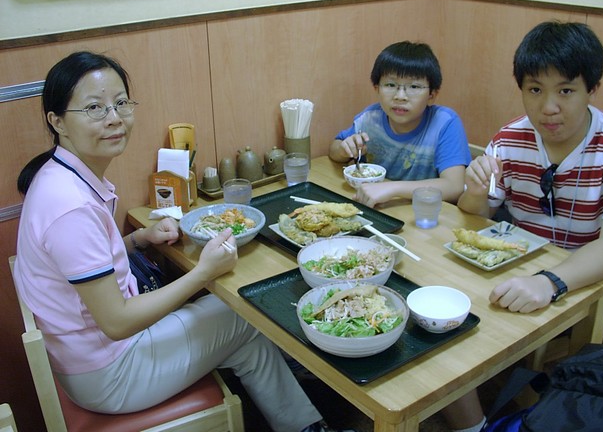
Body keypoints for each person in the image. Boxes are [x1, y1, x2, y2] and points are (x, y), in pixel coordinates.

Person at [12, 51, 353, 432]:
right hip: (110, 372)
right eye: (94, 108)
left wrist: (137, 239)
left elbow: (81, 266)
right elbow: (117, 322)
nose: (114, 118)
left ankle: (307, 426)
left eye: (121, 103)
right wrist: (203, 273)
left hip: (90, 357)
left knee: (246, 338)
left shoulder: (60, 176)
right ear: (57, 121)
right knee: (247, 313)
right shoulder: (69, 206)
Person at [458, 21, 603, 350]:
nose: (548, 108)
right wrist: (474, 192)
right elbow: (478, 217)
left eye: (565, 91)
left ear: (592, 89)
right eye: (535, 90)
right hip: (522, 260)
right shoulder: (508, 140)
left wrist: (550, 282)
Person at [329, 41, 471, 208]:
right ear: (377, 89)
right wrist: (344, 150)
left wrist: (393, 188)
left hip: (424, 213)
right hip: (378, 207)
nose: (400, 96)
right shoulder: (370, 118)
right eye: (390, 85)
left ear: (432, 94)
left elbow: (454, 186)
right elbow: (334, 148)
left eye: (414, 86)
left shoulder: (444, 123)